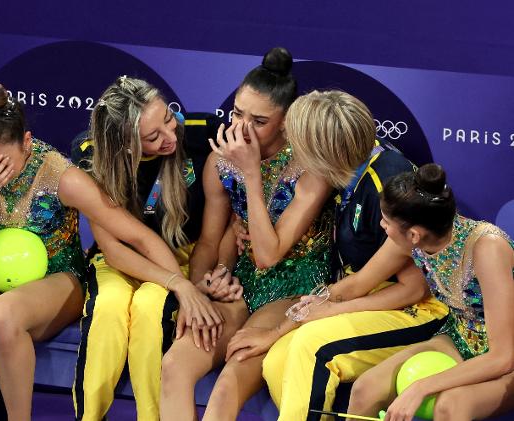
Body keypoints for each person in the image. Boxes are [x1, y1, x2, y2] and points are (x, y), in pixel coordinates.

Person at [0, 82, 214, 421]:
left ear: (26, 143)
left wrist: (179, 282)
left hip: (54, 277)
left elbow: (135, 235)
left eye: (2, 164)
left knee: (1, 316)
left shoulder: (61, 175)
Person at [226, 90, 449, 421]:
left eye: (296, 139)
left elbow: (415, 288)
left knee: (311, 345)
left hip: (419, 310)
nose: (289, 144)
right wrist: (284, 328)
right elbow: (356, 281)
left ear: (321, 152)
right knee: (276, 362)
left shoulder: (387, 185)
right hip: (368, 294)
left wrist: (330, 310)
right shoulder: (347, 174)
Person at [160, 47, 334, 420]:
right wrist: (205, 286)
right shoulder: (220, 161)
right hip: (242, 285)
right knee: (175, 365)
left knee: (230, 379)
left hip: (296, 288)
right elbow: (208, 241)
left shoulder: (311, 167)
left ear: (286, 122)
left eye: (258, 121)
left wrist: (251, 174)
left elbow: (269, 256)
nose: (241, 128)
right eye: (237, 113)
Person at [71, 76, 227, 421]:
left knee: (150, 309)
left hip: (182, 255)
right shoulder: (91, 155)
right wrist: (180, 285)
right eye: (153, 137)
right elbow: (114, 249)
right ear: (125, 145)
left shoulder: (205, 132)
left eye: (169, 120)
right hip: (118, 259)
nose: (170, 137)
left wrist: (186, 282)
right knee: (108, 310)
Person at [344, 163, 514, 421]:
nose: (381, 225)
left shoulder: (487, 249)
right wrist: (320, 306)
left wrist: (422, 386)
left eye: (386, 221)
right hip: (459, 338)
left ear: (413, 235)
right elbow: (360, 282)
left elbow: (503, 357)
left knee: (450, 406)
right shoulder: (413, 236)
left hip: (505, 356)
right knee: (365, 389)